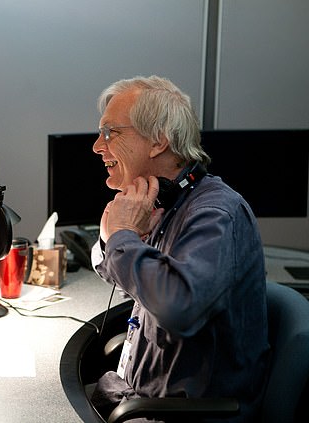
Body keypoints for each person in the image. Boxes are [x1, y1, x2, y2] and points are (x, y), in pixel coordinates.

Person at [89, 75, 270, 422]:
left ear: (158, 141)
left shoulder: (215, 215)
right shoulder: (166, 200)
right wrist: (111, 233)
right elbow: (109, 265)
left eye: (111, 132)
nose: (98, 146)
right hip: (141, 399)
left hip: (173, 414)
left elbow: (178, 308)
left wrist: (123, 236)